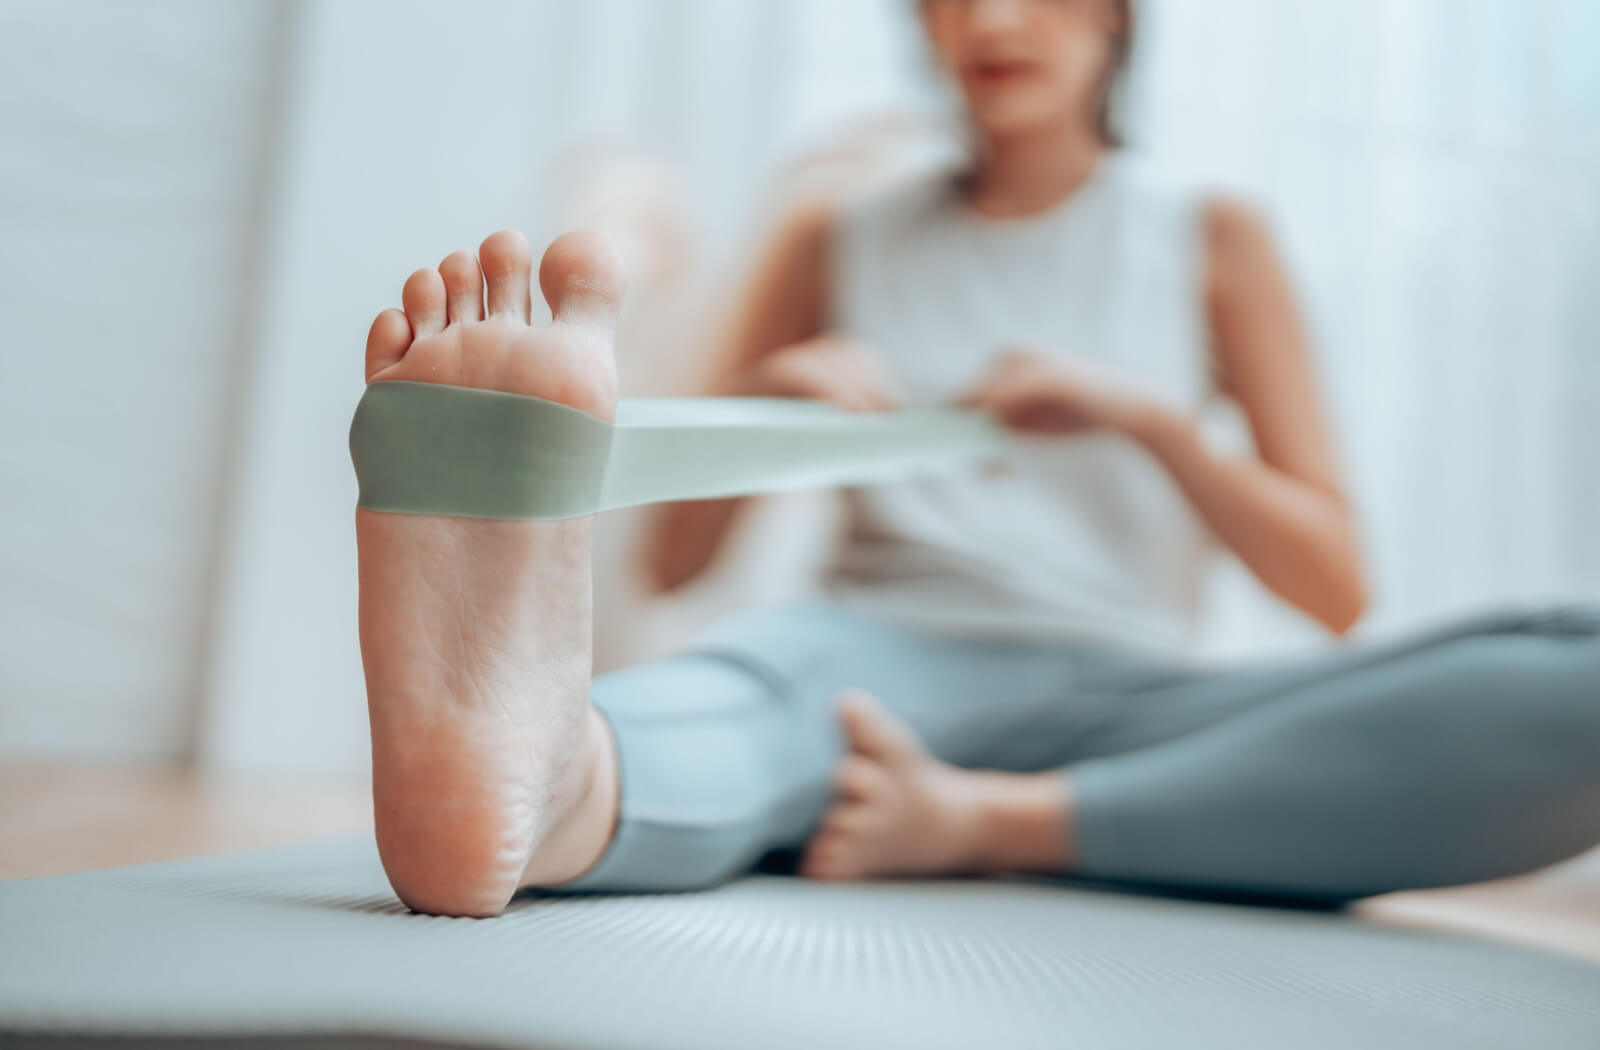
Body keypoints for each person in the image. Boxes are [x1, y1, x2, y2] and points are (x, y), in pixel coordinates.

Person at [353, 0, 1600, 918]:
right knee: (748, 696)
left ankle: (986, 822)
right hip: (876, 666)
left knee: (1568, 669)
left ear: (1116, 20)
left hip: (1133, 700)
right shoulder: (834, 233)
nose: (990, 19)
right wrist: (769, 396)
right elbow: (678, 567)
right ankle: (545, 779)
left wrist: (1154, 421)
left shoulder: (1211, 238)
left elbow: (1336, 591)